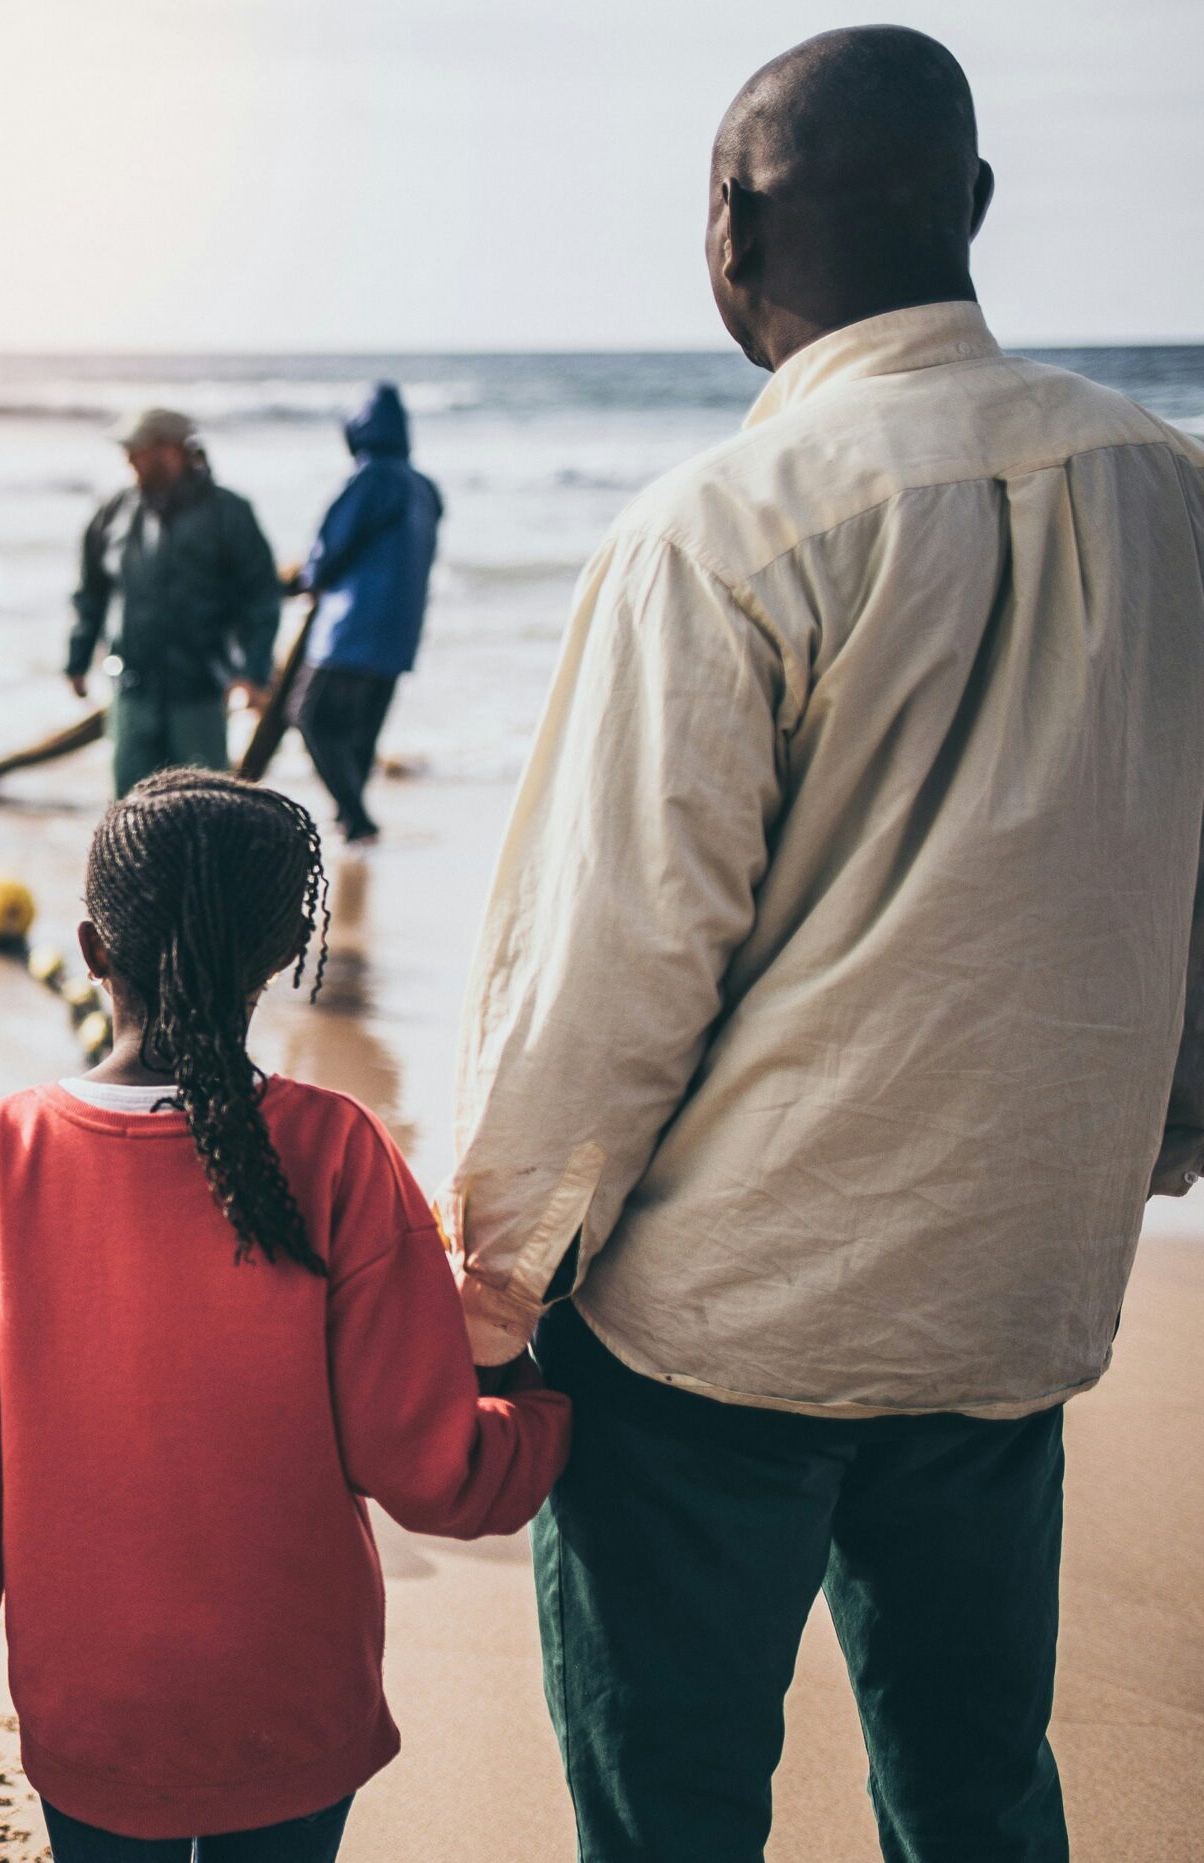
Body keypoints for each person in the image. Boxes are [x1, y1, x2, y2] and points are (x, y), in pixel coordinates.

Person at [448, 28, 1204, 1862]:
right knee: (976, 1786)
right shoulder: (1172, 494)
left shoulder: (721, 533)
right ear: (979, 210)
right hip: (1012, 1297)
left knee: (675, 1811)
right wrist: (1151, 1149)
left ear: (729, 231)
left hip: (720, 1332)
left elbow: (612, 974)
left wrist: (488, 1296)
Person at [0, 770, 571, 1861]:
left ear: (89, 948)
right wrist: (541, 1404)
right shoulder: (339, 1148)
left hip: (95, 1712)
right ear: (276, 961)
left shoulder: (0, 1156)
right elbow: (430, 1474)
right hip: (295, 1704)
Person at [67, 409, 281, 798]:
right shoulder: (114, 512)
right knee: (129, 812)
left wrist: (254, 672)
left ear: (173, 451)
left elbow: (261, 596)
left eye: (139, 449)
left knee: (207, 807)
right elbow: (91, 593)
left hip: (199, 689)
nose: (129, 458)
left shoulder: (228, 512)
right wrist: (77, 660)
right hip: (131, 689)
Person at [292, 384, 442, 844]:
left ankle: (355, 818)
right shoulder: (423, 486)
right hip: (400, 629)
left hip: (351, 627)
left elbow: (334, 544)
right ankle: (352, 820)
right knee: (360, 733)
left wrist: (310, 579)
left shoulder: (371, 478)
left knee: (311, 717)